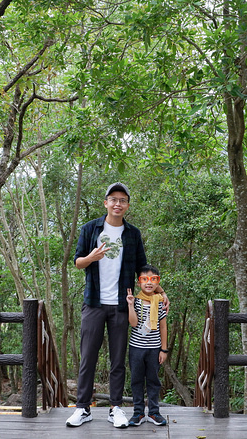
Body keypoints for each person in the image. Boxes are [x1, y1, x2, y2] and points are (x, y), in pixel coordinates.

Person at [65, 182, 168, 428]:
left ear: (127, 205)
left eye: (122, 200)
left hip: (123, 305)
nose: (118, 204)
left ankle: (115, 408)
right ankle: (83, 408)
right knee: (87, 357)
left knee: (118, 360)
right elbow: (78, 262)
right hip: (94, 303)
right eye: (113, 199)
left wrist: (161, 292)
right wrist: (92, 257)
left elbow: (143, 270)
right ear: (106, 203)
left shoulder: (132, 234)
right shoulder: (90, 229)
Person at [126, 265, 168, 426]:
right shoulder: (135, 301)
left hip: (154, 348)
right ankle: (138, 413)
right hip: (136, 348)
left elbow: (163, 326)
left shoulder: (160, 302)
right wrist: (130, 305)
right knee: (136, 380)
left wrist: (164, 349)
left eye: (153, 279)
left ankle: (154, 412)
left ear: (158, 283)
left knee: (153, 380)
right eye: (145, 279)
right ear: (139, 283)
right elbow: (133, 323)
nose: (149, 283)